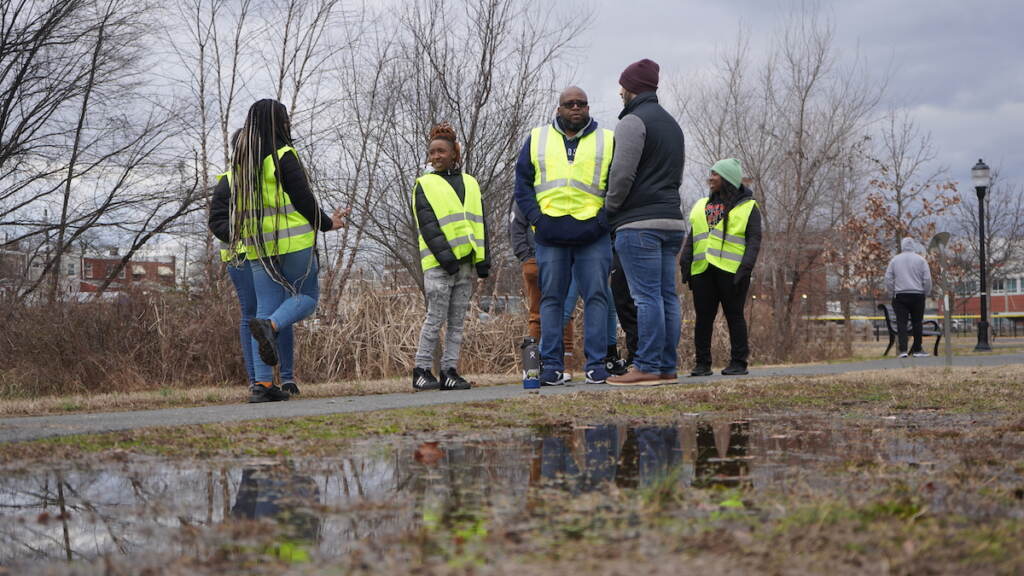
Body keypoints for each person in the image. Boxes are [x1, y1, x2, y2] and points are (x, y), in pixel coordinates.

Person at [230, 99, 347, 403]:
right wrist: (327, 223)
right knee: (305, 300)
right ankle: (271, 327)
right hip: (292, 243)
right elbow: (303, 200)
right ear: (281, 123)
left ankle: (263, 386)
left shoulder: (241, 163)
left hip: (257, 244)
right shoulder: (284, 155)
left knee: (263, 308)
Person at [514, 86, 614, 386]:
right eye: (569, 104)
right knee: (552, 299)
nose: (575, 108)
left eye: (581, 104)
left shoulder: (607, 140)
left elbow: (620, 185)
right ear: (558, 109)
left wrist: (603, 220)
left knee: (597, 297)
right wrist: (537, 220)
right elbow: (522, 184)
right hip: (550, 233)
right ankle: (552, 367)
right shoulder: (537, 138)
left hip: (593, 233)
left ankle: (597, 365)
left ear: (588, 108)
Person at [604, 59, 686, 386]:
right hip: (672, 222)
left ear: (631, 87)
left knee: (645, 297)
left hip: (639, 225)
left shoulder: (632, 122)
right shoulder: (672, 125)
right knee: (667, 296)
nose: (620, 92)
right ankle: (666, 365)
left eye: (622, 86)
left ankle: (647, 365)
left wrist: (610, 210)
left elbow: (621, 176)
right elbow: (676, 177)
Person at [412, 122, 489, 391]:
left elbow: (480, 223)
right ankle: (421, 370)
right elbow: (429, 227)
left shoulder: (470, 183)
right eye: (431, 152)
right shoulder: (424, 185)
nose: (435, 156)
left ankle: (449, 370)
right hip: (439, 266)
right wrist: (448, 261)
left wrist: (482, 260)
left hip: (466, 264)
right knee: (435, 318)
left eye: (441, 151)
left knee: (457, 322)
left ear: (454, 153)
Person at [680, 158, 762, 376]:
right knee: (703, 318)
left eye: (715, 174)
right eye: (711, 173)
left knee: (734, 315)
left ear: (728, 179)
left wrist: (745, 268)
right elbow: (694, 236)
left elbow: (754, 241)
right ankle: (702, 364)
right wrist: (685, 262)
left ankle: (738, 362)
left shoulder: (748, 207)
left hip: (732, 272)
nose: (711, 178)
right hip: (702, 270)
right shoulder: (703, 205)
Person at [508, 198, 576, 379]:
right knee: (561, 312)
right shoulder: (542, 193)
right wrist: (527, 256)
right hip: (540, 259)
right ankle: (562, 366)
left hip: (541, 258)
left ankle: (534, 367)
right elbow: (517, 229)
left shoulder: (523, 196)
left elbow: (515, 228)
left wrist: (524, 255)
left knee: (540, 313)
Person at [885, 237, 933, 358]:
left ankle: (903, 350)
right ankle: (917, 349)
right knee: (917, 322)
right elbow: (927, 279)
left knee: (902, 323)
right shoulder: (921, 260)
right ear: (913, 246)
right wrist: (925, 292)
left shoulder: (895, 260)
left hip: (900, 295)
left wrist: (893, 292)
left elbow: (888, 278)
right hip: (917, 294)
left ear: (902, 246)